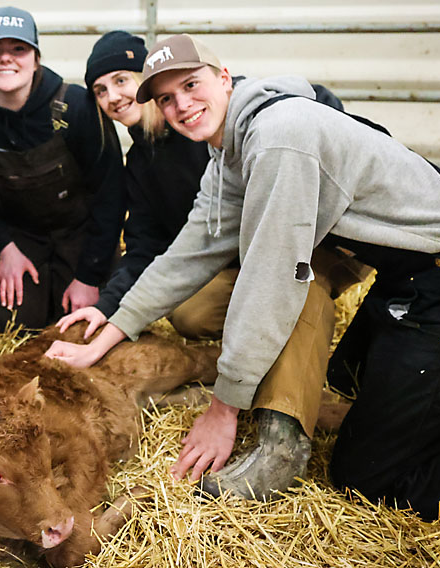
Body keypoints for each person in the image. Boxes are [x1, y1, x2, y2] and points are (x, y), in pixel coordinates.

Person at [50, 33, 440, 520]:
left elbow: (272, 276)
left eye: (191, 84)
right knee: (348, 383)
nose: (182, 104)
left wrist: (224, 409)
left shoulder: (278, 137)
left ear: (224, 77)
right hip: (409, 278)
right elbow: (190, 250)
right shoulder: (228, 151)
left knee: (369, 473)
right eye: (167, 98)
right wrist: (115, 327)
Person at [78, 30, 368, 499]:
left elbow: (279, 259)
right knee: (191, 313)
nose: (114, 97)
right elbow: (167, 249)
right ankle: (253, 361)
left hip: (321, 244)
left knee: (293, 285)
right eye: (100, 90)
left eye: (121, 80)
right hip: (244, 257)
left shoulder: (248, 122)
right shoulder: (162, 155)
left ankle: (283, 438)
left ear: (222, 79)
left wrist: (225, 406)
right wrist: (112, 315)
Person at [0, 7, 124, 333]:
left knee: (78, 324)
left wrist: (89, 275)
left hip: (81, 234)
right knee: (10, 325)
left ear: (36, 58)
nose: (5, 59)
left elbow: (110, 194)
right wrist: (4, 248)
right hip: (20, 236)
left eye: (19, 49)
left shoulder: (77, 107)